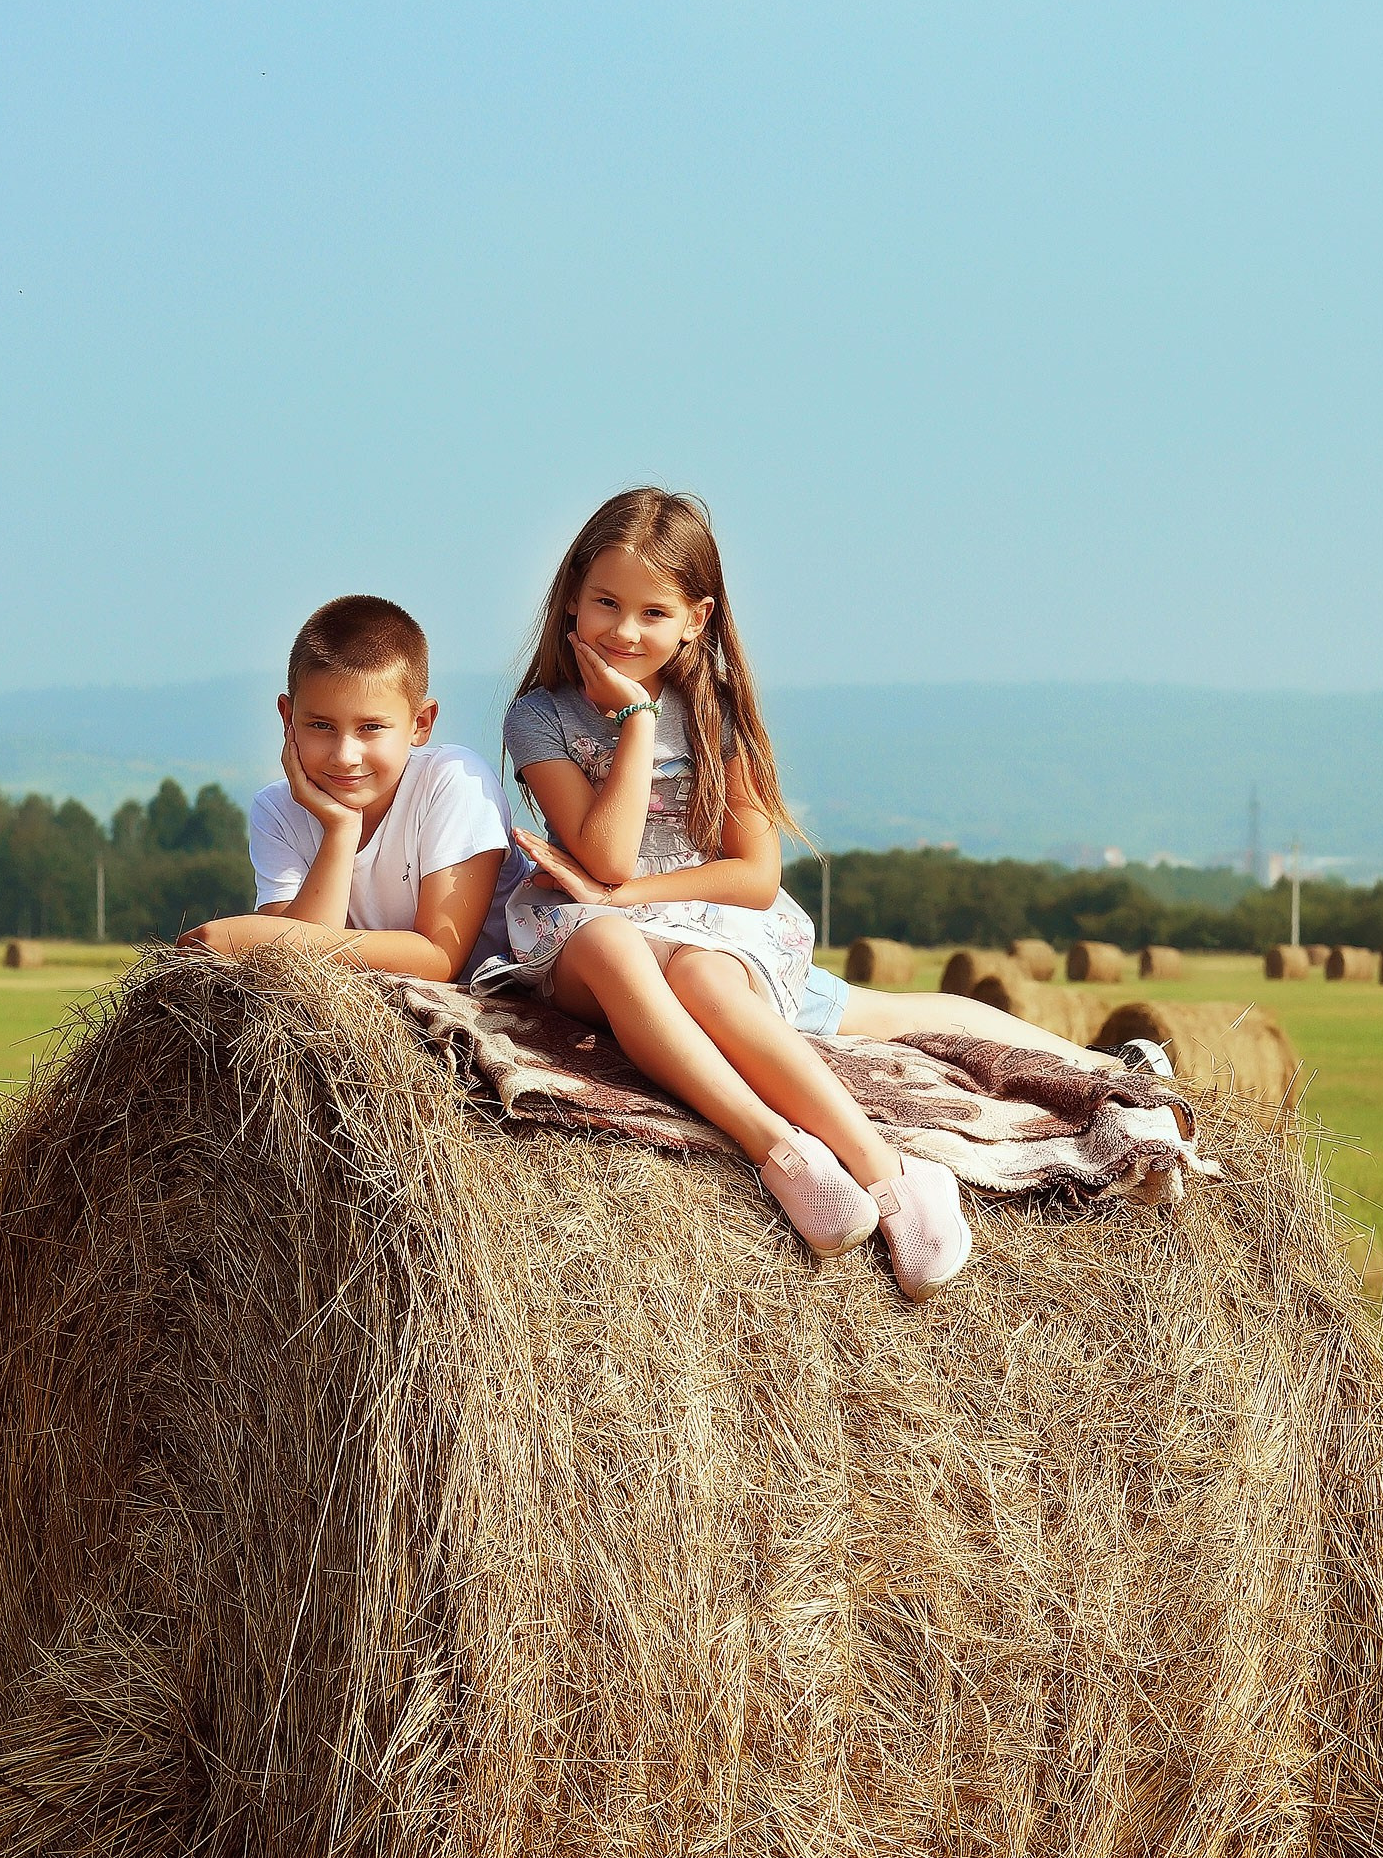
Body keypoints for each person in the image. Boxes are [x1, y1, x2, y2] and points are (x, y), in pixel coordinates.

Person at [495, 489, 1156, 1297]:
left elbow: (752, 875)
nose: (624, 631)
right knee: (626, 945)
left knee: (874, 1008)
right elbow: (601, 852)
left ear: (696, 619)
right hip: (593, 940)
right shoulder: (539, 717)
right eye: (605, 603)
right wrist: (635, 726)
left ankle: (896, 1170)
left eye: (652, 612)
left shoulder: (713, 712)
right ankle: (784, 1151)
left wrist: (627, 889)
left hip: (712, 932)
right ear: (571, 596)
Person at [184, 594, 528, 980]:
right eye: (320, 726)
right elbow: (287, 978)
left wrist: (261, 939)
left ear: (421, 724)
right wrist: (340, 829)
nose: (345, 755)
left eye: (371, 728)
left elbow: (440, 959)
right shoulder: (277, 809)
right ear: (287, 716)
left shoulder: (454, 780)